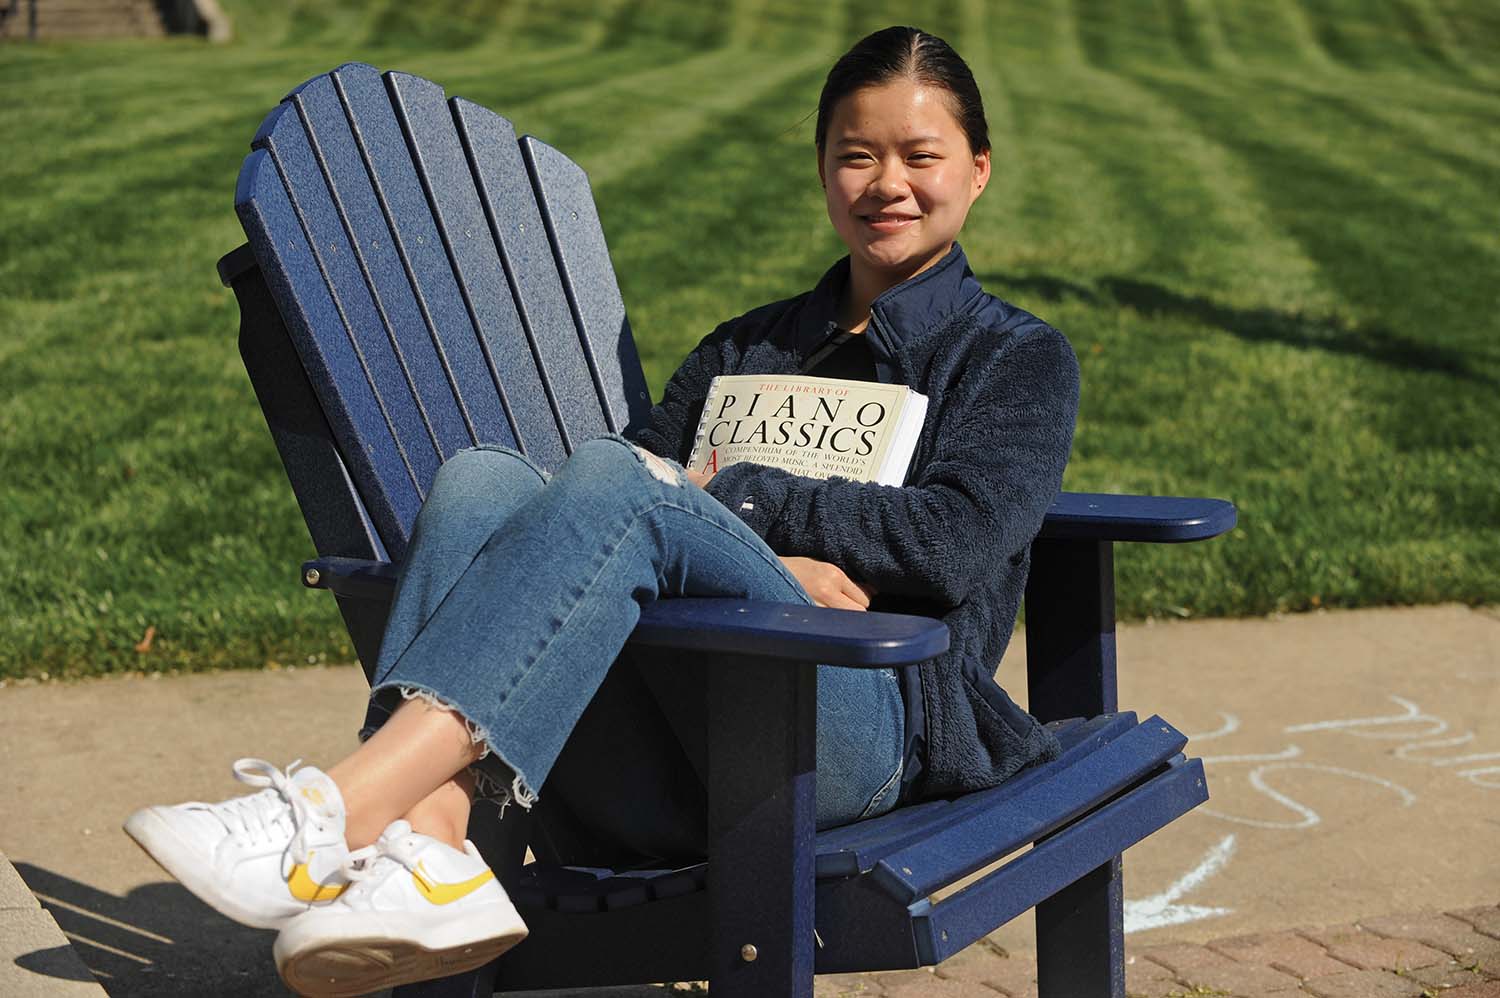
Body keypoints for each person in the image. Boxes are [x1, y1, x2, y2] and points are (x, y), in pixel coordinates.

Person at [124, 25, 1079, 997]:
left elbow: (953, 543)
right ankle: (434, 839)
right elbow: (640, 502)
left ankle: (336, 809)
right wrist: (753, 559)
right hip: (663, 752)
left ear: (978, 168)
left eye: (921, 155)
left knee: (627, 483)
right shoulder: (741, 349)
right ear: (824, 167)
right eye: (856, 154)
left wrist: (736, 504)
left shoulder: (1012, 359)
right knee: (479, 481)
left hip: (861, 742)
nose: (888, 182)